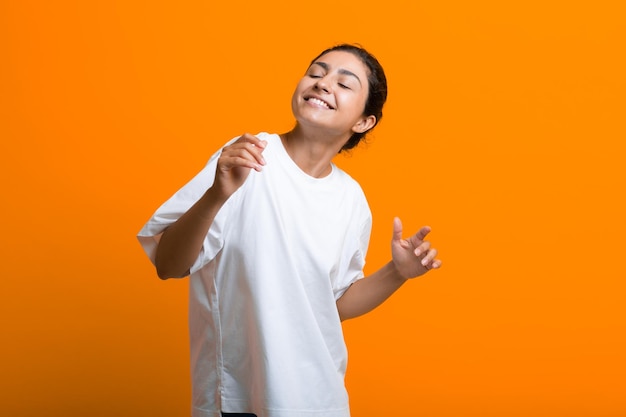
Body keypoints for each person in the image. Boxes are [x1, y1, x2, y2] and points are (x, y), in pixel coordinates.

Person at [137, 44, 442, 417]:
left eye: (344, 83)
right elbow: (168, 264)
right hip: (241, 397)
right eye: (316, 72)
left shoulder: (350, 198)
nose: (323, 83)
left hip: (319, 399)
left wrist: (398, 273)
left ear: (363, 122)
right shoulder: (248, 157)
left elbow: (331, 306)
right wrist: (217, 194)